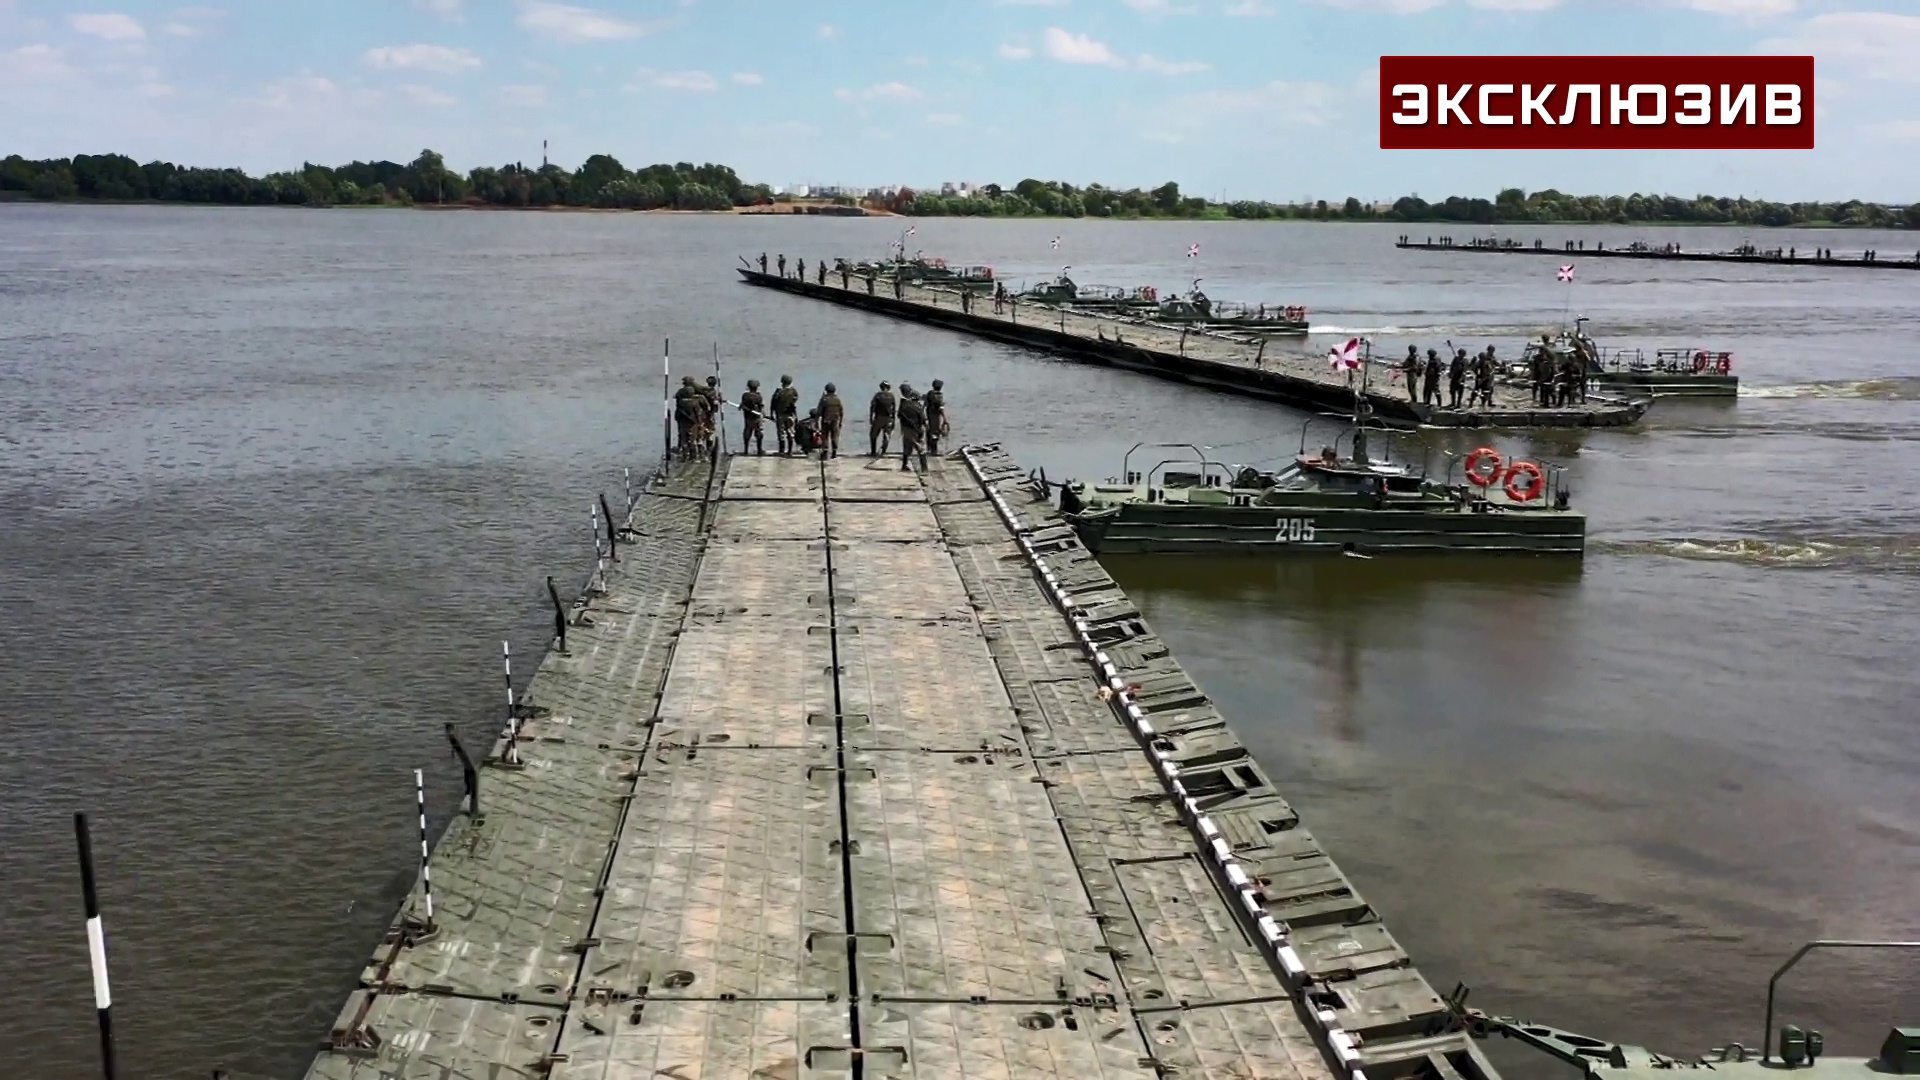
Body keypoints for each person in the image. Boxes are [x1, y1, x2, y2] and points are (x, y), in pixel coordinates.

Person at [673, 375, 705, 460]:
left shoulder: (681, 402)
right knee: (692, 439)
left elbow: (677, 408)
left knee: (684, 439)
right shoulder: (695, 402)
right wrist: (699, 423)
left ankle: (684, 456)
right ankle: (693, 457)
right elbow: (698, 413)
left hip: (683, 421)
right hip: (693, 422)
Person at [898, 384, 928, 473]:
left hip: (908, 429)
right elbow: (923, 419)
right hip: (919, 428)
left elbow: (899, 415)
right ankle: (924, 468)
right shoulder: (918, 407)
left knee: (908, 446)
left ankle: (905, 465)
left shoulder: (904, 405)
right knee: (920, 447)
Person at [771, 374, 800, 456]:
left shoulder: (778, 392)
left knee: (781, 433)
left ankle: (782, 451)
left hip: (780, 415)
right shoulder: (793, 391)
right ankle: (790, 451)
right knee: (790, 432)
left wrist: (771, 413)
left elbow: (773, 403)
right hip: (790, 414)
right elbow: (795, 401)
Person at [868, 380, 897, 457]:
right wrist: (893, 420)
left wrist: (871, 417)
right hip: (888, 418)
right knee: (886, 436)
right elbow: (894, 409)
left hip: (879, 418)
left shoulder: (877, 395)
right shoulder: (891, 396)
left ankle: (873, 452)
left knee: (873, 435)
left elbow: (872, 407)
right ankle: (883, 451)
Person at [815, 382, 844, 458]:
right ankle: (834, 452)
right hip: (835, 421)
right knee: (834, 437)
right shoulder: (837, 400)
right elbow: (841, 411)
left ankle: (825, 452)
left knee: (825, 437)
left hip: (825, 421)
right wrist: (840, 421)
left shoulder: (824, 400)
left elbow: (819, 412)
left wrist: (816, 422)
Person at [739, 378, 765, 456]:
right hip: (757, 418)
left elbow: (742, 405)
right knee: (759, 433)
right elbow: (761, 407)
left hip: (748, 418)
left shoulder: (745, 396)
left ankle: (746, 450)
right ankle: (759, 450)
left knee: (747, 433)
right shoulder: (759, 396)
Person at [923, 379, 947, 454]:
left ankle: (929, 448)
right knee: (936, 432)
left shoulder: (930, 393)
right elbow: (941, 408)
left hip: (929, 414)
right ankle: (934, 450)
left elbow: (925, 404)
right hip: (936, 416)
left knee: (929, 431)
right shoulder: (939, 396)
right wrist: (945, 419)